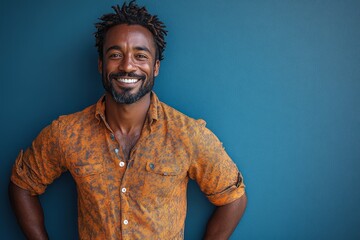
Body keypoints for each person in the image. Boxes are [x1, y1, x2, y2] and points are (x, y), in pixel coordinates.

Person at [8, 1, 247, 239]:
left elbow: (233, 199)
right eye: (115, 54)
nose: (127, 66)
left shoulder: (188, 134)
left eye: (140, 55)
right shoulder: (68, 133)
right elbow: (22, 185)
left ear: (155, 67)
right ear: (101, 64)